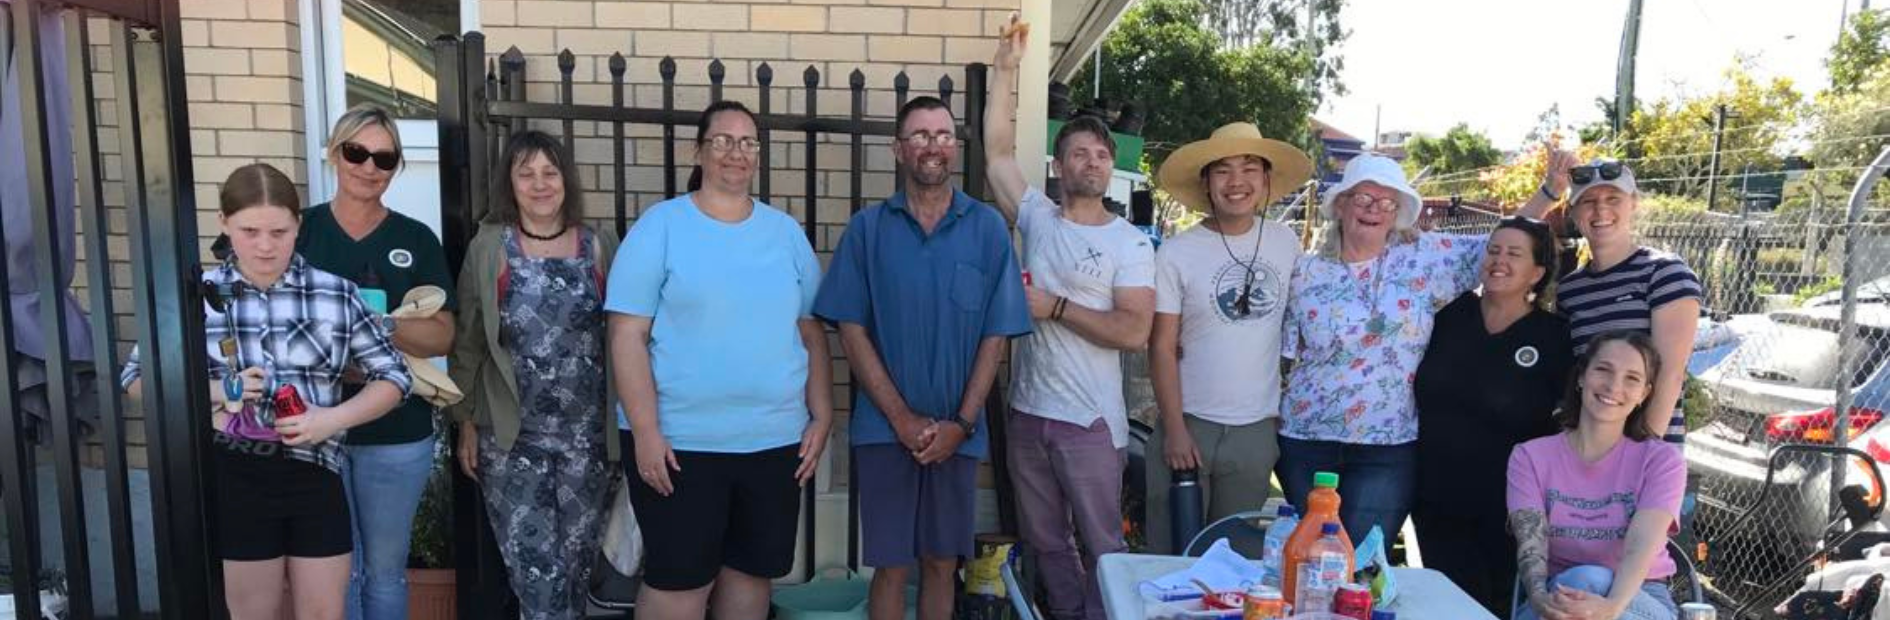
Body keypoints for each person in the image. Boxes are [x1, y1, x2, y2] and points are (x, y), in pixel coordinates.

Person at [122, 163, 412, 620]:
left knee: (323, 614)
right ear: (223, 223)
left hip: (315, 471)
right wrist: (220, 388)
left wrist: (328, 420)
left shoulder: (335, 294)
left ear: (298, 225)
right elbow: (136, 381)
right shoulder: (192, 298)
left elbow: (395, 378)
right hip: (234, 472)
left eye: (278, 231)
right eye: (249, 230)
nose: (264, 245)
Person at [607, 100, 835, 620]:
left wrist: (822, 416)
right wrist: (645, 431)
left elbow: (810, 331)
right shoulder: (659, 227)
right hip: (679, 446)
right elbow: (626, 334)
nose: (737, 152)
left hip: (773, 442)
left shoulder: (785, 234)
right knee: (678, 583)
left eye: (748, 141)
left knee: (751, 577)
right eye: (724, 140)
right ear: (699, 150)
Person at [813, 96, 1032, 620]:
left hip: (960, 431)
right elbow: (851, 328)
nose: (932, 145)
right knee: (890, 564)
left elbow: (995, 335)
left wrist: (961, 422)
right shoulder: (868, 231)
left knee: (940, 562)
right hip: (884, 430)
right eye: (919, 135)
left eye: (941, 135)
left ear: (954, 147)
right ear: (897, 149)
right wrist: (902, 419)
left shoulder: (986, 230)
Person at [1278, 154, 1552, 543]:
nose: (1374, 210)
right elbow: (1282, 353)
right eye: (1363, 199)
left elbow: (1504, 247)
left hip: (1388, 446)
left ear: (1398, 213)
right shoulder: (1303, 273)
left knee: (1362, 567)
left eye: (1387, 202)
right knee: (1308, 560)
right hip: (1307, 440)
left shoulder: (1424, 257)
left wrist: (1549, 192)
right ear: (1341, 205)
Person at [982, 19, 1155, 620]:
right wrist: (1006, 69)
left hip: (1089, 423)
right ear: (1059, 166)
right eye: (1079, 152)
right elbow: (999, 151)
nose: (1093, 161)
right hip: (1029, 415)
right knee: (1047, 545)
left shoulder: (1130, 244)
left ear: (1111, 170)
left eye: (1102, 155)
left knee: (1104, 546)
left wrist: (1055, 307)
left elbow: (1134, 331)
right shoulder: (1036, 217)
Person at [290, 105, 457, 620]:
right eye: (356, 152)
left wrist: (375, 324)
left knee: (384, 571)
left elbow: (443, 334)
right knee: (331, 571)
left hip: (395, 431)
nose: (368, 167)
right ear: (334, 154)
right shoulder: (299, 231)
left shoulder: (415, 239)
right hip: (313, 430)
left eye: (383, 158)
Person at [446, 130, 618, 620]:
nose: (539, 184)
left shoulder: (600, 244)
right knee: (535, 574)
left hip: (587, 439)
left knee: (575, 569)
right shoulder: (490, 247)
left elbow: (629, 337)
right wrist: (465, 423)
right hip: (511, 438)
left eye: (550, 172)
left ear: (566, 180)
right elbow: (469, 342)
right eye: (526, 173)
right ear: (510, 183)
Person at [1144, 122, 1312, 554]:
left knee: (1234, 561)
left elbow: (1307, 319)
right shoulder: (1178, 252)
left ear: (1266, 179)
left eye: (1249, 168)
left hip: (1255, 429)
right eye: (1222, 170)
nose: (1236, 182)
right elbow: (1161, 344)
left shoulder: (1285, 242)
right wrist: (1176, 428)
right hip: (1189, 422)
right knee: (1171, 555)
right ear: (1206, 182)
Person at [1412, 216, 1574, 618]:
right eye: (1494, 250)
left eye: (1514, 254)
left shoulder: (1554, 337)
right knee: (1438, 600)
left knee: (1487, 605)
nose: (1499, 260)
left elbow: (1565, 423)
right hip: (1433, 494)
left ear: (1537, 273)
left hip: (1505, 506)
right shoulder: (1448, 316)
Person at [1508, 330, 1685, 620]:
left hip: (1638, 600)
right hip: (1555, 597)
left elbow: (1641, 547)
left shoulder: (1662, 460)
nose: (1615, 385)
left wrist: (1609, 609)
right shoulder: (1530, 457)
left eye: (1632, 378)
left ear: (1644, 394)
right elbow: (1532, 549)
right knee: (1580, 582)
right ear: (1581, 377)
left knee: (1590, 578)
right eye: (1603, 369)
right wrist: (1541, 601)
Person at [1527, 159, 1702, 444]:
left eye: (1613, 198)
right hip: (1586, 450)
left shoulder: (1665, 272)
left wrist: (1641, 451)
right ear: (1573, 212)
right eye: (1588, 201)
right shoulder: (1571, 289)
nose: (1601, 210)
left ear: (1633, 203)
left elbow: (1669, 375)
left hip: (1646, 453)